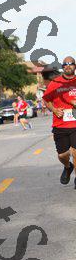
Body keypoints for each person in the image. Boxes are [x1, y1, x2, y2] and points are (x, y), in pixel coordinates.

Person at [43, 56, 76, 187]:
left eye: (71, 63)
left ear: (75, 66)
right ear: (62, 67)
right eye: (65, 64)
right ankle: (68, 167)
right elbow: (46, 100)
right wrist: (54, 110)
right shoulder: (55, 83)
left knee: (75, 151)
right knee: (62, 155)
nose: (68, 66)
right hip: (60, 124)